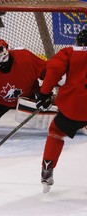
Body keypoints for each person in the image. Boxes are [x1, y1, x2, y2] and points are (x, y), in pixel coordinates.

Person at [36, 29, 87, 193]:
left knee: (56, 132)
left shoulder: (69, 52)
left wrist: (44, 94)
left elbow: (54, 70)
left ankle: (47, 169)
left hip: (75, 106)